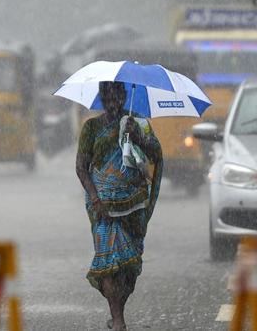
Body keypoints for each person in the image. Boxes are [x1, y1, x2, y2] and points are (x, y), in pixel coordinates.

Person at [75, 81, 163, 331]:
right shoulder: (91, 128)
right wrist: (95, 198)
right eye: (107, 97)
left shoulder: (139, 124)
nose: (112, 102)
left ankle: (118, 310)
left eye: (117, 97)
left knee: (128, 267)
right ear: (101, 98)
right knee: (108, 264)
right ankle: (118, 318)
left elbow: (156, 155)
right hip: (102, 207)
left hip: (133, 206)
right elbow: (81, 167)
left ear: (124, 96)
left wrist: (139, 138)